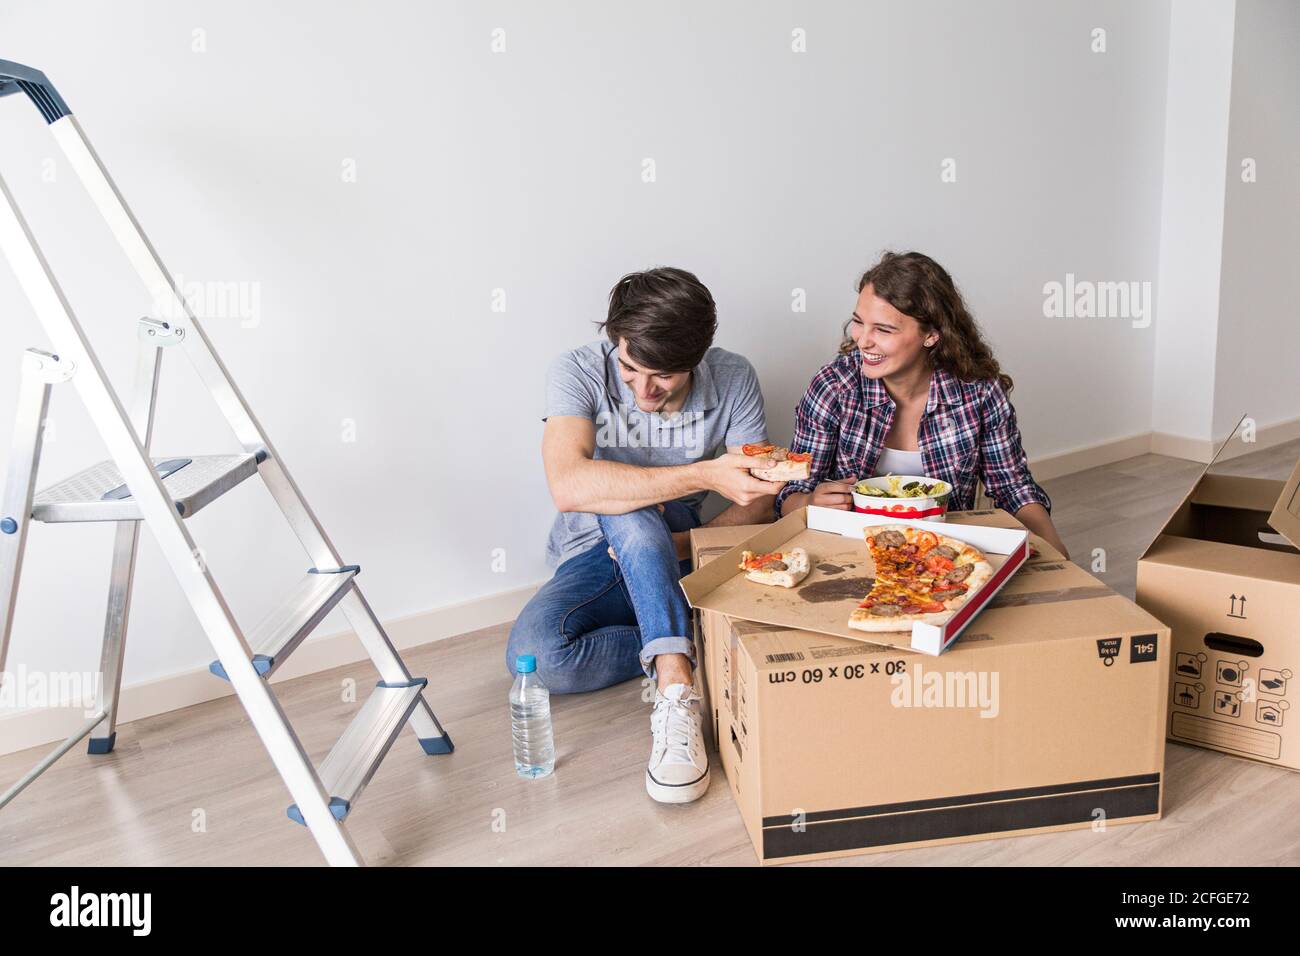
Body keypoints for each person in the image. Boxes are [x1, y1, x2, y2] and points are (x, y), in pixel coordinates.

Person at [507, 266, 781, 804]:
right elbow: (569, 486)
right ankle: (687, 637)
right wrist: (703, 473)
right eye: (631, 368)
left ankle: (676, 687)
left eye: (665, 376)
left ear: (696, 360)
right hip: (595, 550)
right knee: (540, 658)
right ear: (615, 340)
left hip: (681, 543)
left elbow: (762, 496)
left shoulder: (735, 376)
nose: (644, 390)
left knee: (635, 512)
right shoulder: (576, 370)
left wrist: (675, 545)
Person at [776, 251, 1069, 559]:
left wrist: (1058, 557)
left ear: (931, 335)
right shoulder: (834, 387)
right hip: (846, 553)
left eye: (883, 329)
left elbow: (1014, 489)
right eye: (859, 322)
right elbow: (788, 496)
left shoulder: (978, 391)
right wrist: (810, 501)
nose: (863, 340)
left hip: (941, 555)